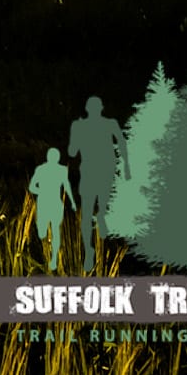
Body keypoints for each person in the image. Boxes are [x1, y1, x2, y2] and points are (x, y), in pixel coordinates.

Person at [66, 95, 127, 271]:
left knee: (87, 213)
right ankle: (106, 246)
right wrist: (126, 168)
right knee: (104, 209)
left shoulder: (80, 126)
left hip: (89, 173)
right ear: (100, 108)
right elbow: (122, 145)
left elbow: (71, 152)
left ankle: (93, 250)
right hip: (105, 173)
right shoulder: (110, 124)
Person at [27, 148, 74, 269]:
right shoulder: (45, 170)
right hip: (50, 203)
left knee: (54, 231)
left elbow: (33, 187)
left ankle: (52, 260)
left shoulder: (43, 170)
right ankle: (48, 253)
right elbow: (32, 187)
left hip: (48, 203)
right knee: (44, 232)